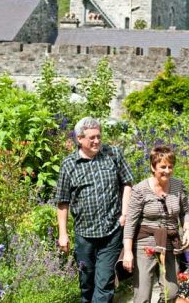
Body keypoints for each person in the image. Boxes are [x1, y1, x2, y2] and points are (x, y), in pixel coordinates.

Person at [55, 116, 133, 303]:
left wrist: (124, 213)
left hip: (111, 232)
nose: (97, 141)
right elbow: (62, 202)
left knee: (105, 283)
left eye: (99, 136)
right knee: (86, 282)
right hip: (85, 235)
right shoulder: (69, 164)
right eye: (92, 138)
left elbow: (127, 183)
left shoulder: (113, 154)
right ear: (79, 139)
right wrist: (63, 233)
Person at [122, 145, 189, 303]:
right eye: (163, 167)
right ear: (152, 167)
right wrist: (128, 252)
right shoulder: (140, 189)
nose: (167, 170)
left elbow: (185, 212)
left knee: (172, 293)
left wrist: (187, 230)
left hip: (170, 241)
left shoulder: (178, 186)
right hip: (145, 244)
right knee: (142, 296)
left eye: (170, 166)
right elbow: (130, 224)